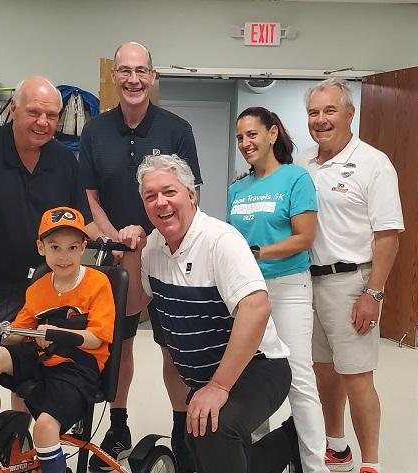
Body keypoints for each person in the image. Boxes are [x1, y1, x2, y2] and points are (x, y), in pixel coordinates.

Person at [117, 154, 291, 473]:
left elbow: (256, 307)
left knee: (214, 428)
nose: (161, 202)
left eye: (169, 191)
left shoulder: (220, 241)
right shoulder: (154, 246)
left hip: (259, 367)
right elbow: (132, 306)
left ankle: (288, 442)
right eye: (150, 196)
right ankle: (288, 443)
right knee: (203, 447)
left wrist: (219, 387)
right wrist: (133, 252)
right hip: (204, 375)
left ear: (191, 194)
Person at [78, 41, 203, 471]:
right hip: (115, 257)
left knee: (174, 350)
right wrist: (117, 240)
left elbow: (192, 194)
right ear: (115, 77)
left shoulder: (177, 128)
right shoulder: (95, 131)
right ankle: (118, 422)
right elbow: (89, 198)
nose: (133, 79)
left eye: (141, 71)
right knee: (119, 345)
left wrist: (150, 237)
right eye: (125, 71)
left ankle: (182, 428)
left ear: (153, 77)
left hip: (168, 254)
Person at [300, 79, 403, 473]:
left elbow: (388, 236)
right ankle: (336, 445)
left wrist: (373, 293)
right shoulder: (303, 164)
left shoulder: (374, 163)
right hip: (308, 282)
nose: (321, 120)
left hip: (351, 283)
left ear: (349, 114)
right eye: (313, 112)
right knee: (323, 371)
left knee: (357, 376)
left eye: (329, 111)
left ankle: (371, 463)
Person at [0, 75, 99, 323]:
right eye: (34, 112)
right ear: (13, 108)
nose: (43, 122)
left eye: (52, 115)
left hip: (49, 285)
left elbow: (83, 221)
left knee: (44, 360)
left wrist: (116, 242)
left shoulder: (65, 161)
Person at [0, 206, 115, 473]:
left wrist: (54, 334)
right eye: (55, 247)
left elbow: (96, 339)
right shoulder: (38, 287)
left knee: (45, 427)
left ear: (84, 247)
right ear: (41, 248)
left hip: (77, 368)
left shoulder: (98, 283)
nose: (64, 256)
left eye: (72, 248)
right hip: (41, 360)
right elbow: (18, 333)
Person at [227, 107, 327, 473]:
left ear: (272, 134)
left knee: (299, 377)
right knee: (250, 377)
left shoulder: (295, 179)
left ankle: (315, 465)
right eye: (240, 137)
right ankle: (257, 460)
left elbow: (305, 238)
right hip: (247, 291)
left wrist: (256, 253)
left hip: (288, 287)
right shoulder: (238, 188)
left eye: (252, 134)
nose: (245, 143)